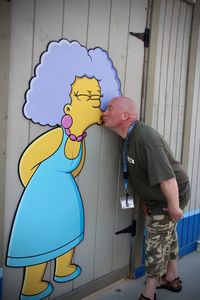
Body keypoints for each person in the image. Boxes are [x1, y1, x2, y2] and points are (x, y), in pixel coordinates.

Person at [103, 96, 191, 300]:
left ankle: (148, 294)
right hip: (158, 197)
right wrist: (145, 201)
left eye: (110, 108)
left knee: (156, 243)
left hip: (172, 194)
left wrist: (174, 208)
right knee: (168, 235)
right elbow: (142, 174)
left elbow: (168, 178)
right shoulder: (129, 138)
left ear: (125, 115)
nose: (105, 111)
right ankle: (172, 278)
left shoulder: (144, 136)